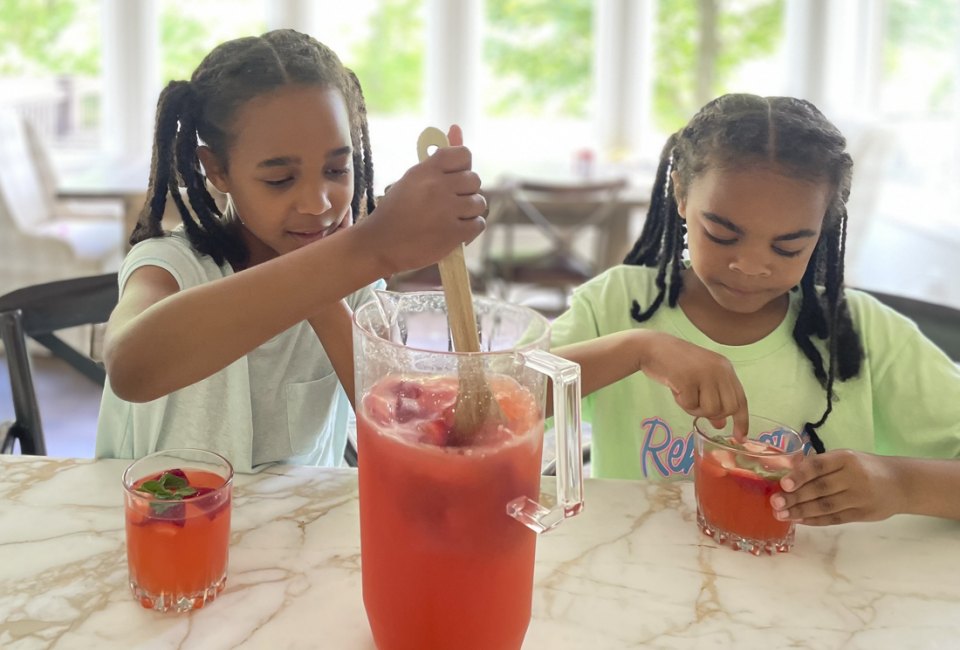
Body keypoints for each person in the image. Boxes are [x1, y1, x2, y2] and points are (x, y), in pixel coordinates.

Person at [551, 93, 960, 523]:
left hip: (815, 583)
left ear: (822, 230)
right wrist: (636, 350)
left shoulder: (865, 333)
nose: (749, 266)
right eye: (721, 234)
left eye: (788, 247)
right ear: (682, 194)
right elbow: (481, 412)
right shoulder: (616, 305)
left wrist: (901, 483)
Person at [96, 29, 486, 473]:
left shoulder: (351, 282)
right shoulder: (170, 264)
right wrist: (369, 247)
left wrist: (330, 281)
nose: (317, 202)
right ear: (218, 170)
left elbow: (399, 423)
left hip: (295, 528)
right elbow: (131, 366)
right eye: (280, 179)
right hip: (166, 524)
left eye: (337, 170)